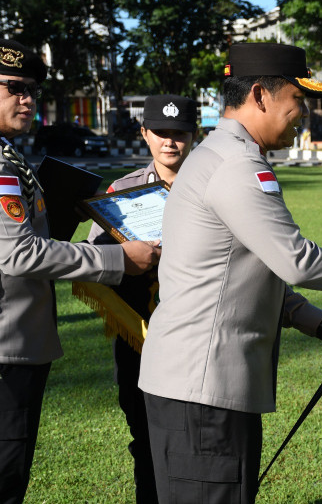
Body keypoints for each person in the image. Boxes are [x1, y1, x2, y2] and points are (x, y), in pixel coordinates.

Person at [137, 42, 322, 504]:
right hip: (203, 390)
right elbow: (295, 259)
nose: (303, 114)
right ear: (260, 95)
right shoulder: (237, 164)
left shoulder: (218, 154)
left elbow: (246, 274)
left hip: (197, 384)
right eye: (298, 100)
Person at [0, 39, 160, 504]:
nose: (28, 99)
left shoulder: (10, 155)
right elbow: (20, 255)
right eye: (15, 88)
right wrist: (118, 260)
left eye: (33, 90)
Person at [84, 94, 197, 503]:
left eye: (179, 133)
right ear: (145, 134)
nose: (170, 142)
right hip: (139, 336)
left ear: (193, 136)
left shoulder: (213, 189)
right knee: (144, 437)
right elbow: (93, 257)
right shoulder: (121, 191)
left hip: (196, 337)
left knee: (194, 442)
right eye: (161, 133)